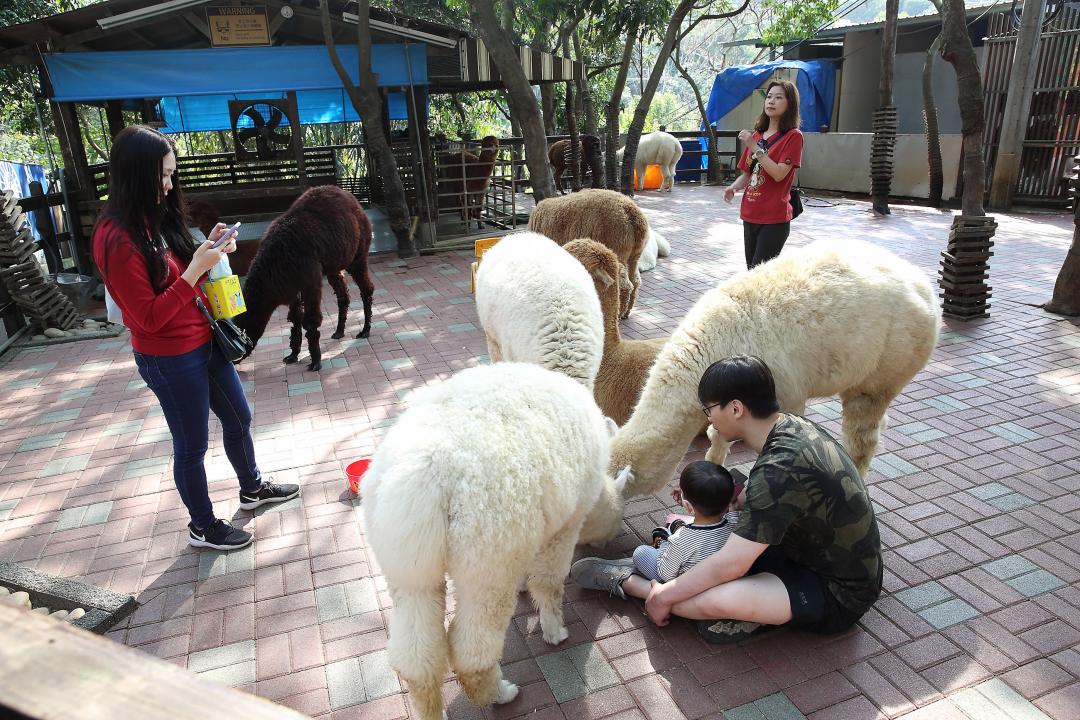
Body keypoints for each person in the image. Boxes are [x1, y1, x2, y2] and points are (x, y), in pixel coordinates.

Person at [572, 355, 882, 644]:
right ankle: (682, 582)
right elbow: (773, 495)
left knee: (709, 599)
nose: (708, 420)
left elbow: (732, 563)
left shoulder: (777, 473)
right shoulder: (790, 424)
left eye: (709, 410)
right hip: (805, 552)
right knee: (723, 531)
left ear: (735, 408)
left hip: (837, 592)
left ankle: (636, 584)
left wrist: (664, 598)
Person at [92, 125, 299, 552]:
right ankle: (202, 526)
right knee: (192, 445)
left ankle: (252, 488)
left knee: (239, 417)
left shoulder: (153, 218)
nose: (168, 187)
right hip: (167, 356)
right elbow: (147, 317)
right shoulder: (115, 238)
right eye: (161, 177)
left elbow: (179, 274)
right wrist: (193, 272)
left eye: (171, 176)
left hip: (203, 341)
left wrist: (209, 250)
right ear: (133, 175)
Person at [723, 80, 804, 269]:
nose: (771, 101)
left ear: (790, 104)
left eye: (778, 97)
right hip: (750, 214)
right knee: (752, 272)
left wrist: (754, 146)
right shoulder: (758, 135)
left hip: (774, 218)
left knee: (759, 276)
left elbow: (778, 174)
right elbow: (748, 173)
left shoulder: (793, 136)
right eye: (768, 97)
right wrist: (733, 188)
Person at [630, 461, 739, 583]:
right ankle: (672, 530)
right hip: (721, 580)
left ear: (687, 506)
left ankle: (662, 541)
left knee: (641, 553)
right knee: (676, 525)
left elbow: (666, 575)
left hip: (687, 584)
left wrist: (666, 545)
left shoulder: (680, 541)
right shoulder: (736, 522)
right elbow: (733, 508)